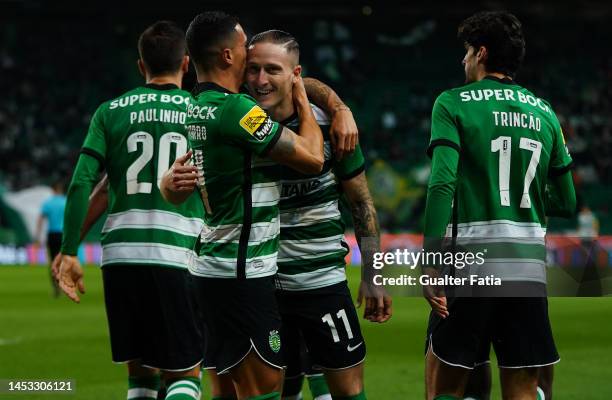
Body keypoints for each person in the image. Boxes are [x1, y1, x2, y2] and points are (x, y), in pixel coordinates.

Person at [160, 11, 326, 400]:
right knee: (264, 387)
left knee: (228, 387)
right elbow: (312, 158)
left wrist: (169, 186)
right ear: (229, 57)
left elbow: (188, 178)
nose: (249, 51)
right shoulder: (237, 111)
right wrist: (301, 94)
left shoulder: (196, 105)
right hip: (240, 271)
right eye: (243, 46)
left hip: (212, 264)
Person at [422, 11, 576, 400]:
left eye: (467, 51)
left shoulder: (452, 103)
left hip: (471, 263)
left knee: (449, 383)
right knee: (523, 386)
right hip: (527, 270)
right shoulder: (545, 113)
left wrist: (430, 261)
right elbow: (568, 201)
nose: (463, 60)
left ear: (481, 53)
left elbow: (442, 183)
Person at [57, 21, 205, 400]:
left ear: (141, 66)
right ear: (186, 64)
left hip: (121, 258)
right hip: (180, 254)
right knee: (185, 372)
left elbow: (82, 184)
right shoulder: (202, 111)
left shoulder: (109, 112)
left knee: (140, 372)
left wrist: (69, 250)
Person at [246, 30, 391, 400]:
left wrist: (374, 276)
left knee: (348, 390)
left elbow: (360, 203)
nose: (261, 80)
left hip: (322, 285)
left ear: (295, 74)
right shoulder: (239, 122)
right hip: (261, 286)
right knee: (276, 391)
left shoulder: (332, 125)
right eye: (253, 69)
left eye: (272, 70)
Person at [35, 179, 66, 297]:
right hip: (63, 235)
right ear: (60, 189)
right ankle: (64, 285)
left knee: (53, 262)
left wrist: (37, 236)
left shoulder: (47, 203)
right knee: (64, 261)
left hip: (52, 235)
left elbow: (40, 220)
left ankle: (55, 287)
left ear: (53, 190)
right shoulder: (65, 201)